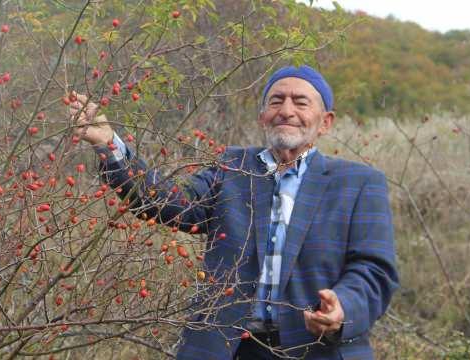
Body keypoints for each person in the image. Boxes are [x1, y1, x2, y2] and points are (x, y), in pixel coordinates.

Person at [70, 65, 399, 360]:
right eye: (276, 100)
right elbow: (169, 203)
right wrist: (109, 143)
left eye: (300, 102)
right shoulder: (231, 167)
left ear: (325, 121)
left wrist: (343, 307)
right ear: (262, 116)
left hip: (317, 349)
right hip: (227, 347)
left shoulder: (358, 183)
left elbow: (373, 269)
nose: (286, 110)